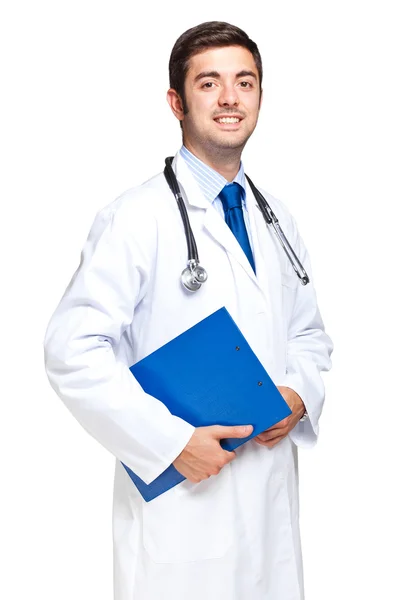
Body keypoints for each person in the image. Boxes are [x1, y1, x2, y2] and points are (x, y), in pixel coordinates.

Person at [44, 20, 333, 600]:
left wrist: (298, 395)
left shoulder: (277, 219)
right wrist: (169, 441)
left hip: (269, 504)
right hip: (182, 514)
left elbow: (308, 334)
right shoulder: (135, 217)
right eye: (210, 83)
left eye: (244, 82)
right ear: (177, 101)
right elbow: (71, 350)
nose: (230, 98)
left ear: (259, 96)